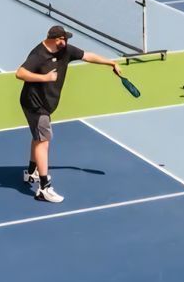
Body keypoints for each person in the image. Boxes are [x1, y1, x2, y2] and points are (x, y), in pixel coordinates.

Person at [16, 26, 122, 202]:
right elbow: (20, 73)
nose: (65, 42)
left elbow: (87, 56)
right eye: (63, 39)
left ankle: (32, 172)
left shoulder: (65, 50)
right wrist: (45, 78)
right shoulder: (38, 54)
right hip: (35, 104)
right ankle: (44, 188)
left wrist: (111, 63)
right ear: (55, 39)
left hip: (45, 104)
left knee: (38, 137)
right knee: (44, 141)